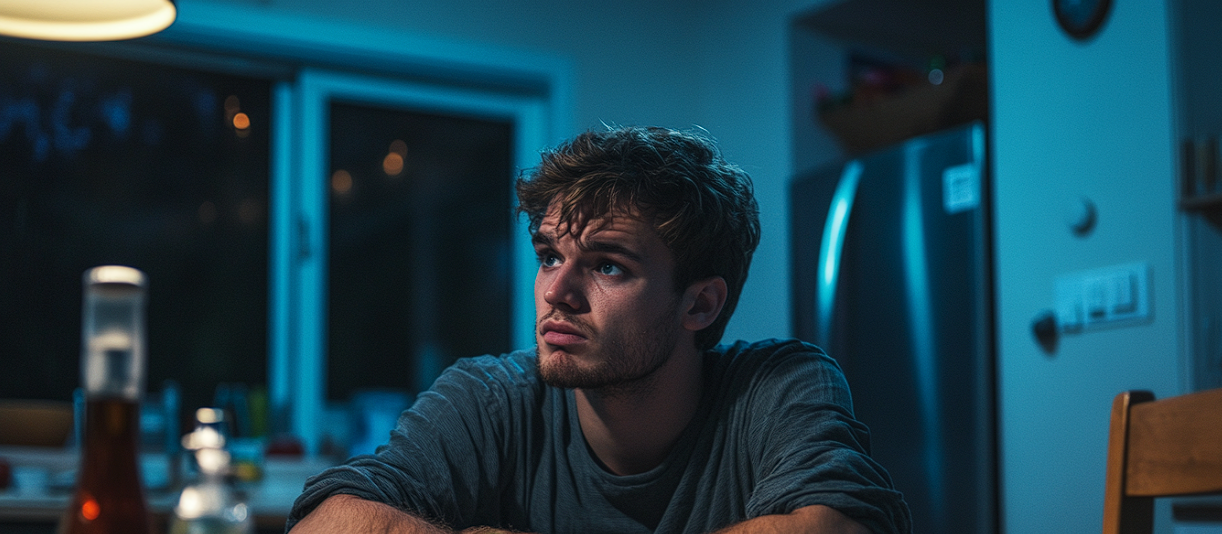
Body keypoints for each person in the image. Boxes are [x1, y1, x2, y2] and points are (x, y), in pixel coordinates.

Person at [285, 126, 912, 534]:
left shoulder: (777, 385)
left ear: (700, 304)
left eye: (608, 265)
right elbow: (325, 522)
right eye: (550, 256)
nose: (557, 291)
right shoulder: (490, 396)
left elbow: (835, 527)